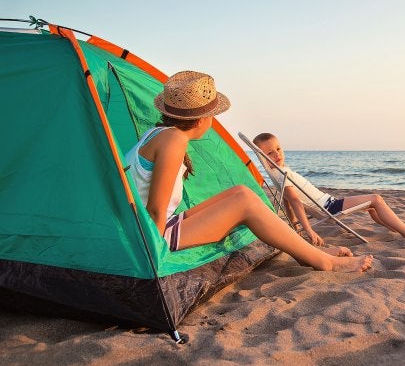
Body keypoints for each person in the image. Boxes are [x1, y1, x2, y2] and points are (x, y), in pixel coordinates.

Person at [124, 71, 372, 272]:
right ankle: (323, 261)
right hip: (151, 234)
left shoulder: (157, 134)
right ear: (202, 119)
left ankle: (307, 251)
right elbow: (155, 210)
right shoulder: (174, 140)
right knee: (245, 203)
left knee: (241, 192)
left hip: (153, 224)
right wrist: (154, 256)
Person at [253, 133, 405, 246]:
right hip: (329, 207)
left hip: (328, 203)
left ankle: (399, 230)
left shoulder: (278, 173)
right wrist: (308, 230)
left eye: (278, 149)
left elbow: (287, 201)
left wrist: (295, 228)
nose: (276, 154)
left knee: (372, 207)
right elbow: (293, 201)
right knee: (376, 199)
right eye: (270, 153)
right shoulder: (282, 174)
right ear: (261, 157)